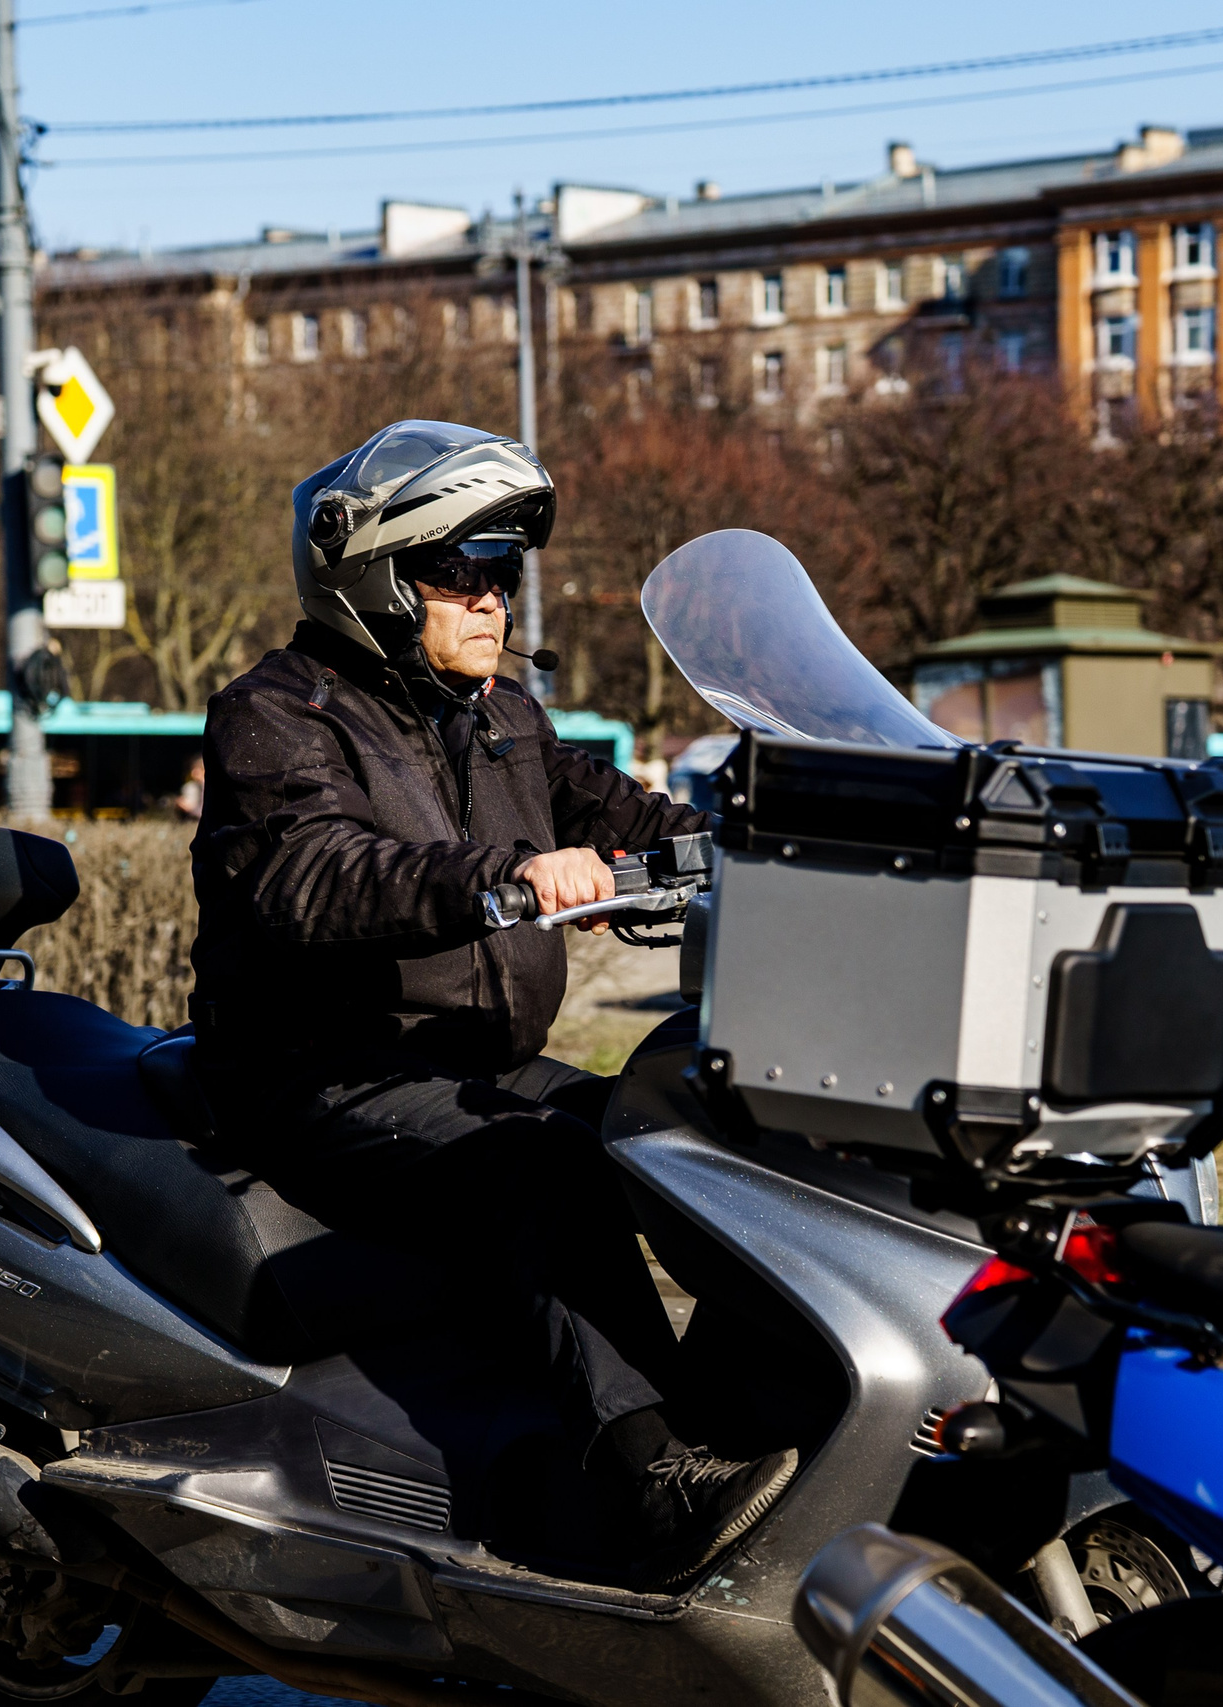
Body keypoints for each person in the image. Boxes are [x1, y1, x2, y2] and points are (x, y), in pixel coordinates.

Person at [188, 420, 795, 1589]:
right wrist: (499, 882)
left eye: (501, 573)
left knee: (684, 1130)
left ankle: (750, 1407)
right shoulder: (277, 715)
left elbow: (615, 809)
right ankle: (652, 1480)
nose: (490, 601)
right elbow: (312, 871)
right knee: (547, 1172)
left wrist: (760, 844)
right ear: (372, 579)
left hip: (470, 1060)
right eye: (459, 573)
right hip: (320, 1074)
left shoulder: (504, 713)